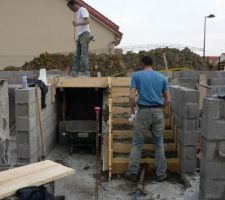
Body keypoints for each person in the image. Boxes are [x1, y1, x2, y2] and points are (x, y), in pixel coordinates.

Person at [123, 56, 171, 182]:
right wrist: (161, 108)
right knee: (159, 143)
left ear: (142, 64)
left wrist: (132, 109)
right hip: (158, 112)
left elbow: (132, 96)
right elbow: (168, 99)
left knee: (138, 143)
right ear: (153, 64)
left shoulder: (137, 76)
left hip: (143, 111)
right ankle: (161, 174)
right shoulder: (162, 77)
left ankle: (133, 172)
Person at [67, 0, 91, 77]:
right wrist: (77, 24)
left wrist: (77, 23)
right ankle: (74, 73)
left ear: (74, 4)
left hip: (85, 33)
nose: (71, 10)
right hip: (80, 35)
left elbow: (88, 21)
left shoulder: (82, 9)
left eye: (71, 8)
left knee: (84, 54)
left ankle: (86, 73)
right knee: (77, 54)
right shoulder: (78, 13)